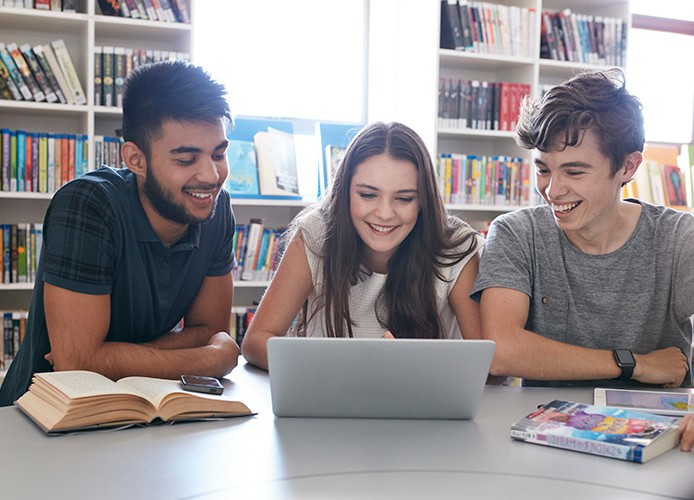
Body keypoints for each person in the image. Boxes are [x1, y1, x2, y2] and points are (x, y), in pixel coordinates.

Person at [0, 61, 239, 406]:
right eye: (186, 160)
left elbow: (208, 333)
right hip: (49, 415)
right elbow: (75, 364)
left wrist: (108, 356)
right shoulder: (87, 204)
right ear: (135, 159)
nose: (211, 176)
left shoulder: (216, 210)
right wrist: (210, 360)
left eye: (219, 154)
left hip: (155, 410)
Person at [471, 69, 694, 392]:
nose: (553, 190)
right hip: (544, 429)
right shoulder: (516, 233)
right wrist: (635, 364)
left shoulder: (678, 239)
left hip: (661, 432)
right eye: (544, 170)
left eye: (575, 172)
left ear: (628, 167)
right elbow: (501, 351)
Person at [241, 121, 484, 370]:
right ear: (344, 192)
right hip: (328, 397)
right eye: (368, 195)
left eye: (404, 198)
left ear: (423, 200)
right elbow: (256, 342)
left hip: (426, 403)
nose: (385, 214)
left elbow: (491, 366)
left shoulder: (456, 246)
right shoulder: (317, 233)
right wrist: (346, 368)